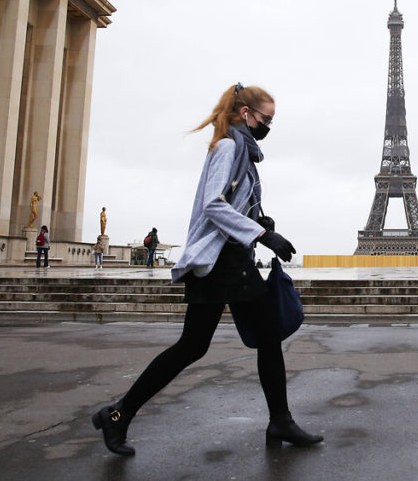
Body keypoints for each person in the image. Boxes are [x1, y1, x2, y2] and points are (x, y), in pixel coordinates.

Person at [92, 83, 322, 456]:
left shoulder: (242, 150)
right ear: (246, 114)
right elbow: (213, 205)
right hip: (221, 262)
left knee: (240, 340)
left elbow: (231, 203)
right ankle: (117, 414)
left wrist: (258, 219)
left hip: (233, 259)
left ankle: (279, 419)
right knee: (202, 345)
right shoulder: (229, 146)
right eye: (266, 119)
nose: (268, 127)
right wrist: (262, 234)